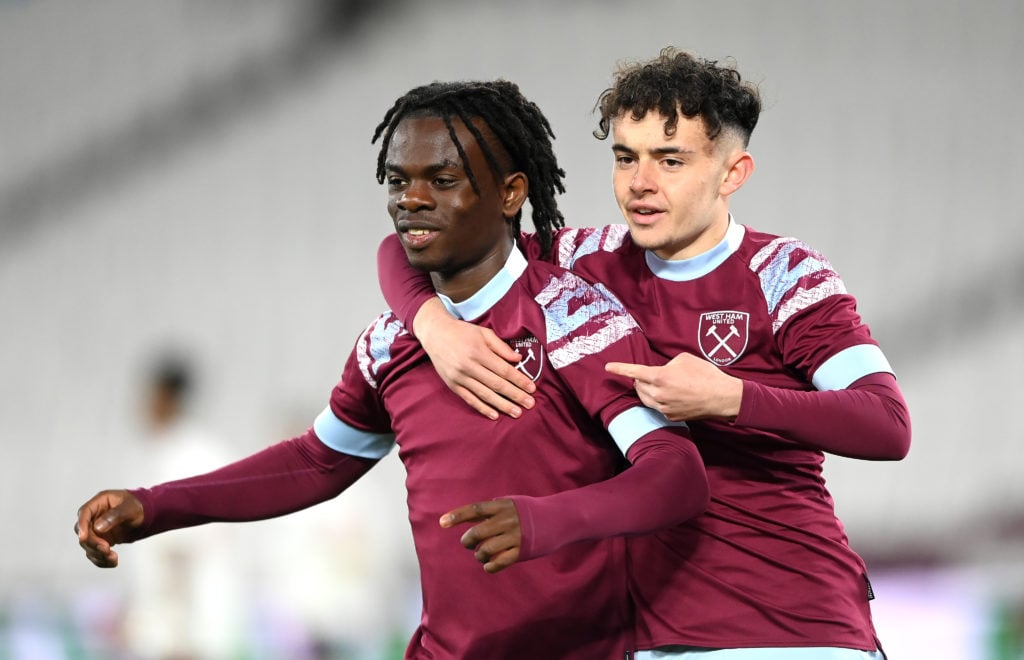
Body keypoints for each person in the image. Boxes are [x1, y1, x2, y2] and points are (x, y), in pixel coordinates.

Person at [76, 79, 710, 660]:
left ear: (512, 192)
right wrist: (154, 507)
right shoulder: (389, 345)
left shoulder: (574, 314)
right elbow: (314, 463)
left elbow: (676, 475)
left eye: (442, 179)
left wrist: (545, 519)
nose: (411, 199)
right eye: (396, 180)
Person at [376, 49, 912, 659]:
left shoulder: (783, 272)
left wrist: (730, 397)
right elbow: (420, 241)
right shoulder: (583, 261)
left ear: (732, 173)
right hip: (656, 637)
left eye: (670, 160)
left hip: (789, 623)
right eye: (625, 157)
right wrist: (432, 326)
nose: (640, 183)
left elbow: (886, 424)